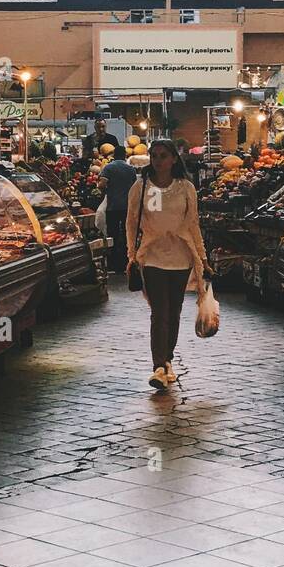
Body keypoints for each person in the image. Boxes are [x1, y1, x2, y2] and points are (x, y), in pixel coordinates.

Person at [126, 138, 209, 392]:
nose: (158, 161)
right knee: (159, 312)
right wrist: (132, 254)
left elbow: (193, 223)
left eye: (163, 156)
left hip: (181, 257)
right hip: (152, 256)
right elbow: (131, 223)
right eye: (154, 156)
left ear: (174, 159)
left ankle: (168, 360)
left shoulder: (186, 188)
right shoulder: (140, 188)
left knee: (173, 313)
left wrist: (202, 257)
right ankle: (158, 366)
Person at [98, 149, 138, 273]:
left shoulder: (108, 168)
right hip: (127, 207)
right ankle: (127, 261)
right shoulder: (131, 169)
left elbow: (102, 184)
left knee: (113, 234)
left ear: (114, 156)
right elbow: (135, 186)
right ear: (125, 155)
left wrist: (105, 191)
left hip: (113, 207)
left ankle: (114, 263)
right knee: (127, 234)